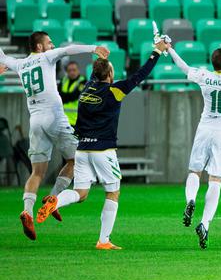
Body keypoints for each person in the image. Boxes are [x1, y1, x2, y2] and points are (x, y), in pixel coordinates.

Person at [37, 38, 170, 250]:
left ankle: (56, 201)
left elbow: (96, 74)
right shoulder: (114, 90)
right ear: (108, 75)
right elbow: (140, 75)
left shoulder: (86, 90)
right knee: (113, 192)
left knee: (80, 194)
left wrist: (100, 59)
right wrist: (156, 51)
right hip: (103, 150)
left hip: (82, 149)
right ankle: (104, 240)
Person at [0, 32, 109, 240]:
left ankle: (27, 211)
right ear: (39, 47)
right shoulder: (46, 57)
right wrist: (93, 48)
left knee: (37, 172)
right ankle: (53, 198)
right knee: (75, 160)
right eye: (49, 42)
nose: (52, 45)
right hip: (54, 117)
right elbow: (68, 50)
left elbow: (4, 59)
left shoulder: (21, 64)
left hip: (35, 120)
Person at [170, 9, 221, 249]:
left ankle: (191, 199)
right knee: (216, 179)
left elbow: (184, 67)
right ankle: (204, 223)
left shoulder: (205, 76)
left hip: (205, 128)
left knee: (195, 172)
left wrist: (170, 49)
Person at [59, 61, 87, 128]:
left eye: (74, 70)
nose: (72, 72)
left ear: (78, 70)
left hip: (77, 121)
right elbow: (58, 96)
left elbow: (74, 96)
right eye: (69, 70)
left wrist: (64, 97)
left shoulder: (83, 81)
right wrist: (65, 97)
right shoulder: (63, 80)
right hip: (64, 121)